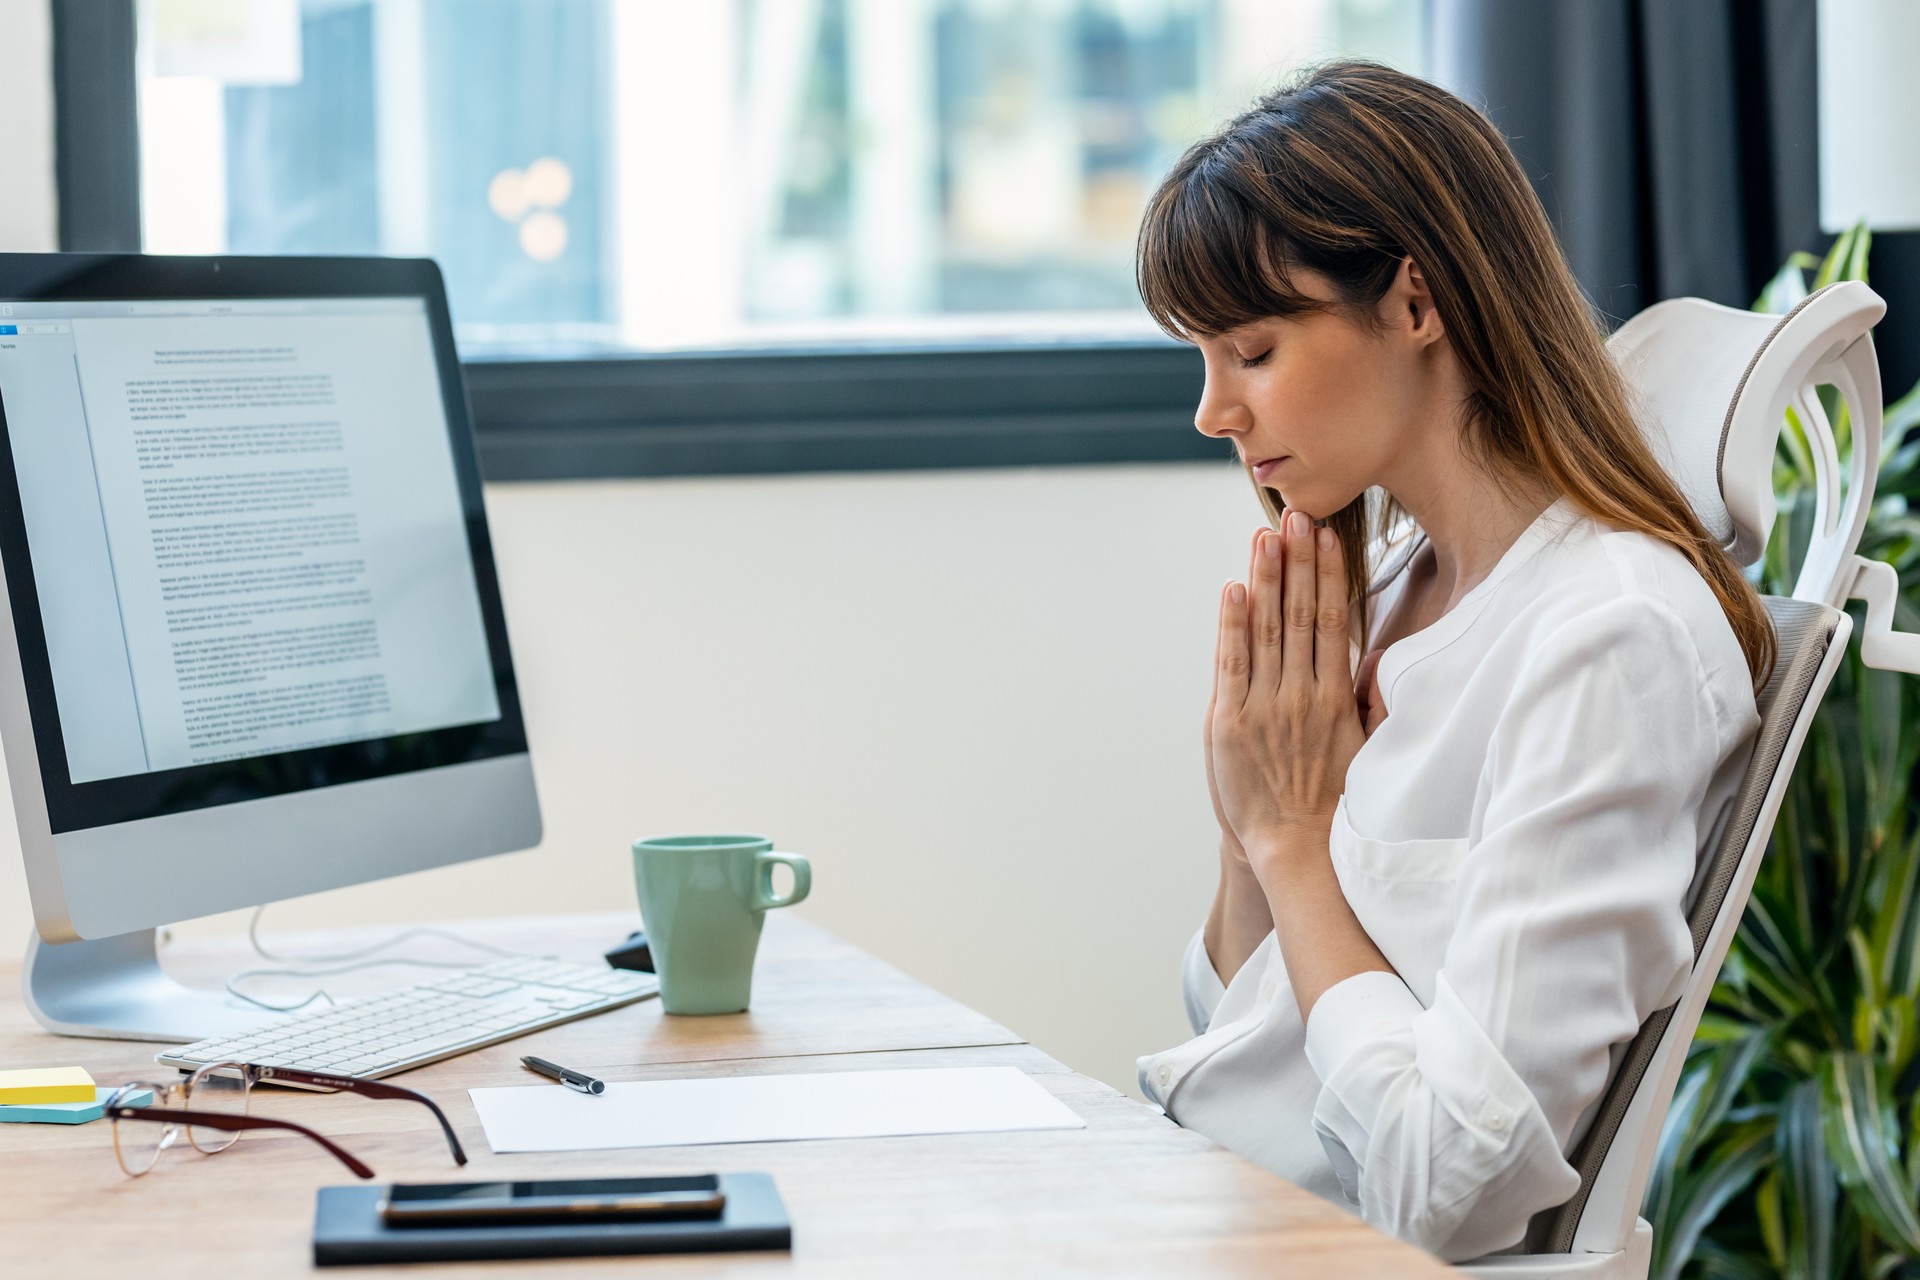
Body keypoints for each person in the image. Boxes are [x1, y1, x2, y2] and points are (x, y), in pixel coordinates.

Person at [1131, 60, 1768, 1262]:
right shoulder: (1380, 592)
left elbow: (1451, 1183)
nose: (1214, 409)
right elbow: (1238, 1033)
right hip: (1224, 1211)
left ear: (1416, 303)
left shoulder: (1609, 634)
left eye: (1252, 350)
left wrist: (1294, 842)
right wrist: (1247, 819)